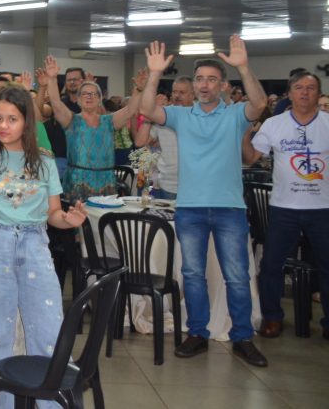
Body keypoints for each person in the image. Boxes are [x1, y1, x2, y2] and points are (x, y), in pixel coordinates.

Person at [0, 86, 87, 409]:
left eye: (12, 119)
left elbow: (53, 215)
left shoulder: (45, 162)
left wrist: (68, 218)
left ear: (27, 122)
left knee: (48, 331)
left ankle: (51, 405)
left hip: (35, 244)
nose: (4, 126)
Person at [140, 36, 268, 367]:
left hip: (229, 209)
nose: (205, 84)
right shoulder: (182, 116)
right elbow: (147, 110)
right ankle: (197, 333)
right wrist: (155, 74)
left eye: (212, 79)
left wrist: (243, 66)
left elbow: (259, 103)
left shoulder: (237, 114)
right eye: (199, 79)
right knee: (192, 274)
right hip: (190, 208)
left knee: (237, 276)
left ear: (223, 85)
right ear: (194, 85)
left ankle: (242, 337)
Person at [242, 70, 329, 340]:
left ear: (318, 93)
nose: (305, 92)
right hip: (283, 208)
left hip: (322, 209)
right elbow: (252, 158)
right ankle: (272, 317)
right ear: (289, 94)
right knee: (271, 265)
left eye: (311, 88)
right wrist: (244, 135)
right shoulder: (274, 125)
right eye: (299, 87)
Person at [42, 57, 145, 201]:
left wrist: (139, 90)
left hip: (106, 184)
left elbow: (130, 110)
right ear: (78, 99)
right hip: (77, 184)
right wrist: (52, 79)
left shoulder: (109, 121)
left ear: (99, 99)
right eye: (84, 94)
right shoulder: (71, 120)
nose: (89, 97)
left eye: (93, 94)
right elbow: (56, 103)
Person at [133, 77, 194, 200]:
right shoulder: (163, 114)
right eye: (174, 92)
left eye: (182, 92)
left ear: (193, 94)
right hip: (168, 184)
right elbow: (140, 142)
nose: (177, 96)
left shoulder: (201, 114)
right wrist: (150, 114)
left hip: (194, 185)